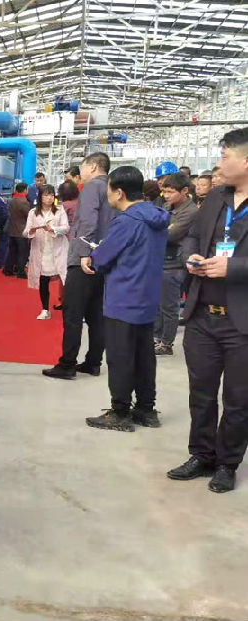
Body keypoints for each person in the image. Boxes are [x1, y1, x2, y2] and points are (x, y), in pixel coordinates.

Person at [167, 127, 248, 494]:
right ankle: (201, 454)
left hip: (241, 322)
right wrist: (191, 258)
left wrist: (234, 267)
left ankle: (228, 463)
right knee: (200, 392)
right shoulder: (216, 198)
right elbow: (191, 238)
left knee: (238, 399)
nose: (218, 164)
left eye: (225, 156)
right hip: (202, 314)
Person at [84, 167, 169, 432]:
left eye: (109, 189)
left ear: (119, 192)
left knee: (120, 357)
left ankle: (120, 412)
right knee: (144, 357)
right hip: (147, 297)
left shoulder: (126, 221)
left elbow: (104, 258)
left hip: (123, 297)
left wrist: (92, 257)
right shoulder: (157, 216)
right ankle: (146, 409)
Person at [43, 152, 113, 380]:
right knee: (96, 315)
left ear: (92, 167)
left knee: (73, 314)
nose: (79, 173)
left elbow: (88, 222)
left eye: (82, 167)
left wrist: (83, 252)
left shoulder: (92, 187)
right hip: (103, 258)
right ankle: (93, 362)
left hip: (84, 260)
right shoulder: (112, 188)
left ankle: (67, 364)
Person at [154, 173, 198, 355]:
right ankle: (157, 338)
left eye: (170, 192)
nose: (166, 196)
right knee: (158, 304)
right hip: (161, 260)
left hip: (176, 263)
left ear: (184, 190)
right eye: (164, 192)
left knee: (169, 306)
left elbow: (170, 235)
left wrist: (162, 229)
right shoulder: (167, 206)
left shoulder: (191, 211)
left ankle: (166, 343)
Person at [24, 184, 69, 319]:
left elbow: (66, 228)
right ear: (40, 197)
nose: (49, 198)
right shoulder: (33, 212)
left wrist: (54, 229)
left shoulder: (59, 210)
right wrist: (31, 231)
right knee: (43, 280)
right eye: (46, 195)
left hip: (58, 248)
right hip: (41, 250)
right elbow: (26, 231)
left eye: (51, 195)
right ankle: (45, 309)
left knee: (65, 278)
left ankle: (70, 307)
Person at [55, 180, 80, 309]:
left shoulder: (64, 206)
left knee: (63, 271)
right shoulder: (81, 203)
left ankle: (63, 299)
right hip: (80, 240)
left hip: (66, 240)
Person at [3, 182, 31, 279]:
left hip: (12, 229)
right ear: (25, 190)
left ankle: (8, 269)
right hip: (21, 231)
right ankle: (20, 271)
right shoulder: (24, 202)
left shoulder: (12, 200)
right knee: (23, 252)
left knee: (12, 251)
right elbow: (29, 215)